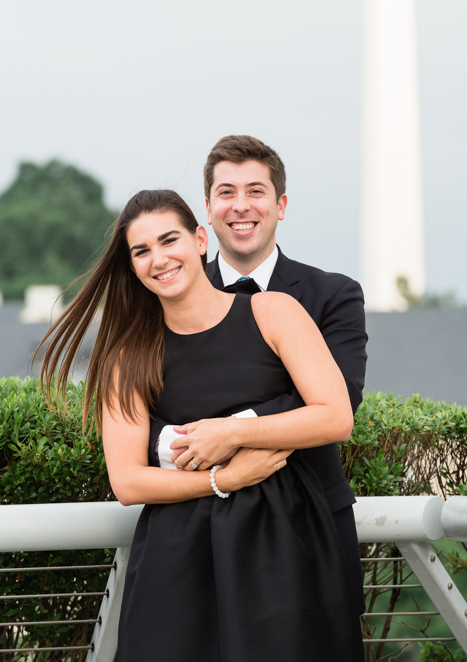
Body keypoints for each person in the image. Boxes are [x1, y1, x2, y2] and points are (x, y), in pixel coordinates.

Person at [39, 189, 370, 662]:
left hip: (285, 549)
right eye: (141, 251)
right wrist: (225, 479)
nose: (158, 259)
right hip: (178, 561)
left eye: (169, 240)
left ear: (198, 240)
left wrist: (231, 432)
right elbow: (128, 481)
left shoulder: (272, 311)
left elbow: (335, 416)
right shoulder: (128, 356)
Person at [150, 134, 368, 612]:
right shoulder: (164, 294)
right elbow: (142, 416)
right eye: (226, 192)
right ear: (207, 208)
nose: (240, 206)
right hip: (194, 525)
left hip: (309, 522)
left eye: (255, 191)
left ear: (280, 204)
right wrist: (184, 443)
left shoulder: (333, 295)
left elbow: (339, 400)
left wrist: (230, 432)